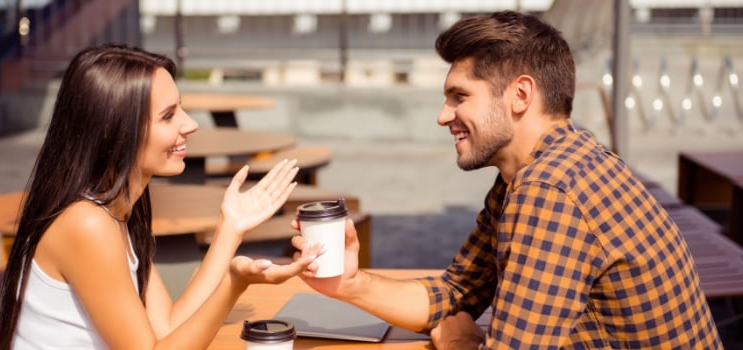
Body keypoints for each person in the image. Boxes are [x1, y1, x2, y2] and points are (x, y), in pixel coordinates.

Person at [291, 11, 723, 349]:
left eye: (459, 96)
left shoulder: (551, 191)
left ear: (520, 95)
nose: (443, 116)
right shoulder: (538, 169)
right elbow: (457, 292)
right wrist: (348, 282)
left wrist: (462, 343)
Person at [0, 43, 322, 349]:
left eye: (181, 108)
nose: (190, 125)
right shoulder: (87, 223)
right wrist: (234, 284)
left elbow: (167, 326)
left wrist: (230, 229)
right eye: (168, 116)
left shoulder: (113, 210)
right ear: (118, 131)